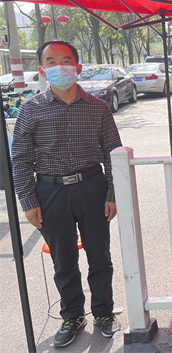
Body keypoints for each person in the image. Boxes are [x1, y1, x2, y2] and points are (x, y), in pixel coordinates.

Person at [11, 40, 123, 347]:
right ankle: (72, 315)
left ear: (78, 67)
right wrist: (28, 201)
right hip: (50, 192)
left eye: (65, 60)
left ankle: (103, 312)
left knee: (99, 255)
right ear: (42, 69)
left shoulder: (98, 107)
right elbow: (20, 159)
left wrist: (112, 194)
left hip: (92, 188)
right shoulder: (30, 109)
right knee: (64, 260)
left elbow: (113, 153)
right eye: (51, 61)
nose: (59, 66)